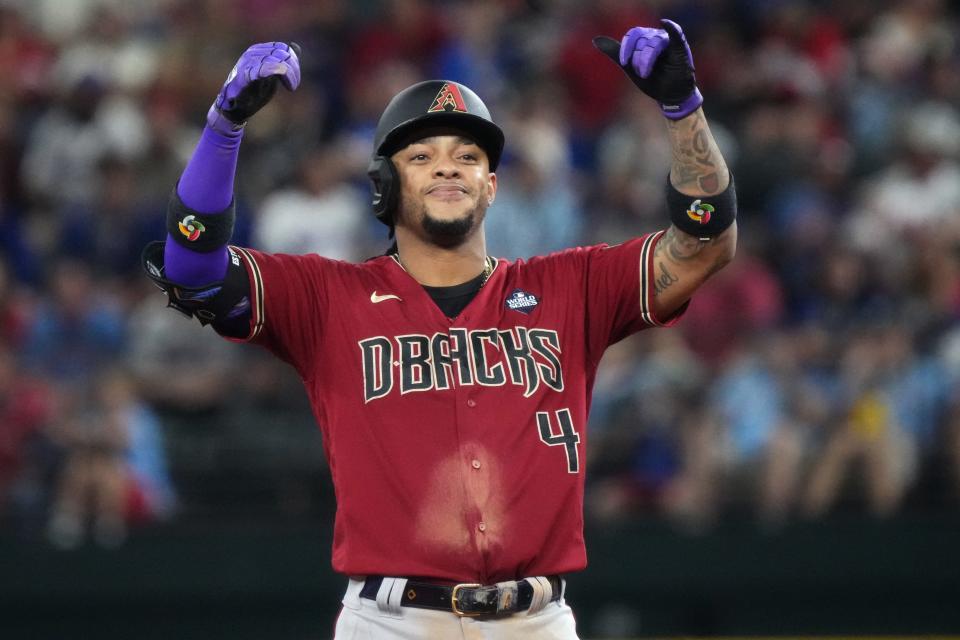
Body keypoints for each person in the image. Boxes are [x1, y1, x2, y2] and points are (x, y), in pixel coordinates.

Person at [143, 21, 737, 638]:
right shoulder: (327, 298)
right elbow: (192, 266)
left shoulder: (573, 286)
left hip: (538, 620)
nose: (448, 168)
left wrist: (682, 108)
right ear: (384, 184)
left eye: (468, 156)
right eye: (421, 156)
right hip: (391, 621)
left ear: (492, 184)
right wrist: (224, 126)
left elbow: (704, 244)